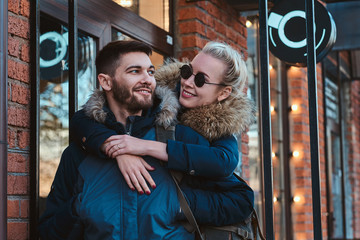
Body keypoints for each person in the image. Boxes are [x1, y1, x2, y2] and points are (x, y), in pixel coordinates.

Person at [39, 40, 255, 240]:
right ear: (106, 81)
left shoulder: (190, 136)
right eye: (187, 72)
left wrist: (176, 202)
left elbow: (232, 181)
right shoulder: (82, 150)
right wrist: (83, 202)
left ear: (223, 93)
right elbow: (49, 230)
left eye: (151, 71)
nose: (188, 82)